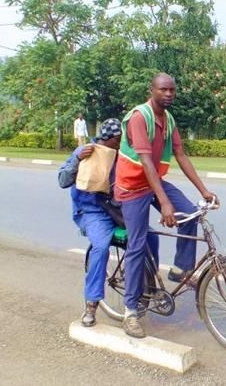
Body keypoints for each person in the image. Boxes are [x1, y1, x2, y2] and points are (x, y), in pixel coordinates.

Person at [115, 72, 219, 338]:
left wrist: (204, 190)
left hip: (154, 183)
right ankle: (130, 311)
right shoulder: (140, 117)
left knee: (190, 214)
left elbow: (181, 154)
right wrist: (163, 203)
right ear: (152, 90)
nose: (169, 94)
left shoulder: (168, 119)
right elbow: (146, 162)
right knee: (138, 245)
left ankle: (179, 270)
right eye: (164, 90)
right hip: (132, 188)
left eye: (172, 90)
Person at [58, 118, 158, 327]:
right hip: (91, 211)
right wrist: (77, 158)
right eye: (119, 139)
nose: (122, 142)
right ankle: (91, 304)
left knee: (151, 235)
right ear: (110, 139)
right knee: (101, 247)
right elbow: (62, 180)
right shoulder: (87, 151)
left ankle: (149, 285)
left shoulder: (121, 155)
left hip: (117, 209)